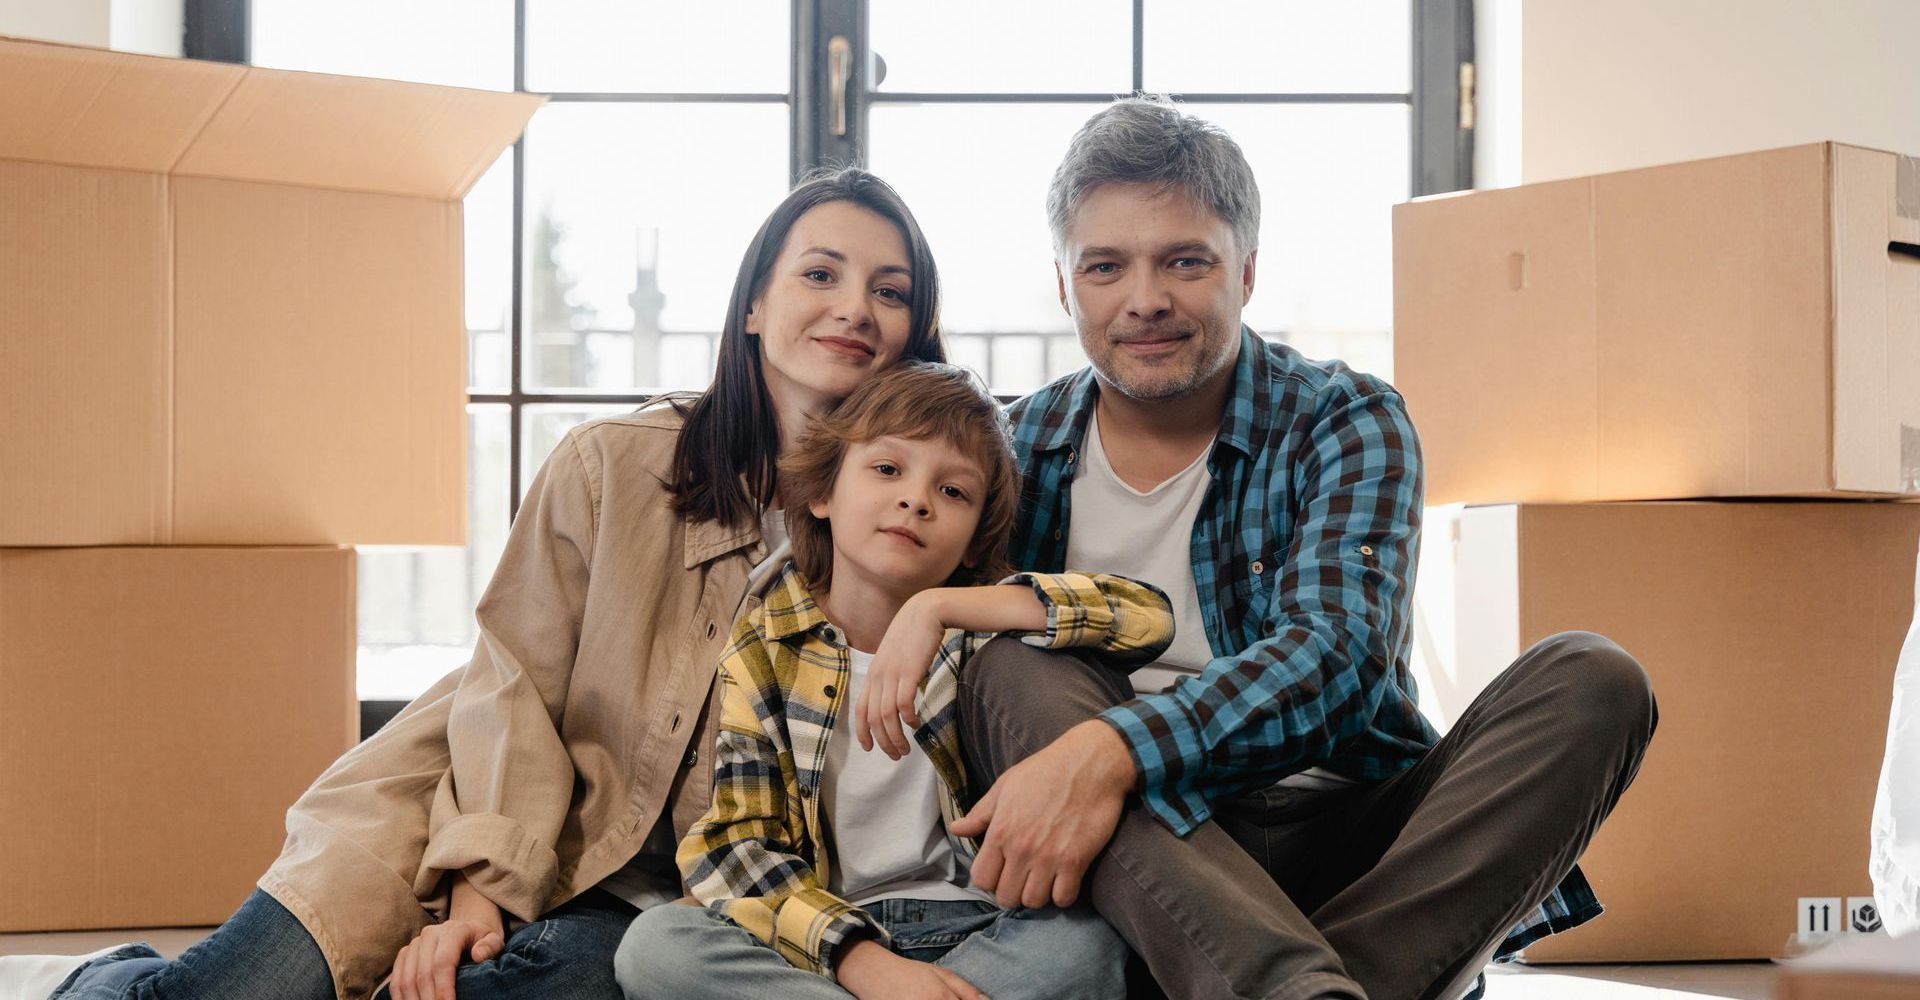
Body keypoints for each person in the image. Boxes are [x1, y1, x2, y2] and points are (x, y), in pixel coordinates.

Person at [0, 167, 947, 1000]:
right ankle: (103, 980)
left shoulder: (919, 522)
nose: (854, 308)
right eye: (820, 274)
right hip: (460, 797)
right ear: (753, 307)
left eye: (889, 291)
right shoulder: (611, 464)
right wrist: (477, 890)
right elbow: (514, 684)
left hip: (643, 898)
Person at [899, 97, 1660, 1000]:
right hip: (1142, 857)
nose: (1145, 299)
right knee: (1013, 664)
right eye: (1105, 266)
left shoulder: (1344, 417)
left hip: (1348, 831)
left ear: (1248, 271)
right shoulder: (1012, 450)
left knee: (1595, 679)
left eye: (1186, 261)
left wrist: (1112, 750)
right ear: (1065, 286)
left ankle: (1287, 979)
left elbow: (1338, 657)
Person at [613, 362, 1168, 1000]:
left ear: (973, 541)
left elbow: (1146, 617)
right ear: (822, 495)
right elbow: (739, 845)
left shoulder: (982, 639)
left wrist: (941, 608)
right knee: (658, 944)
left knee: (1091, 936)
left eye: (953, 491)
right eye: (886, 469)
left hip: (982, 926)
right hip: (827, 943)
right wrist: (861, 961)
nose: (916, 500)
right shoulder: (764, 646)